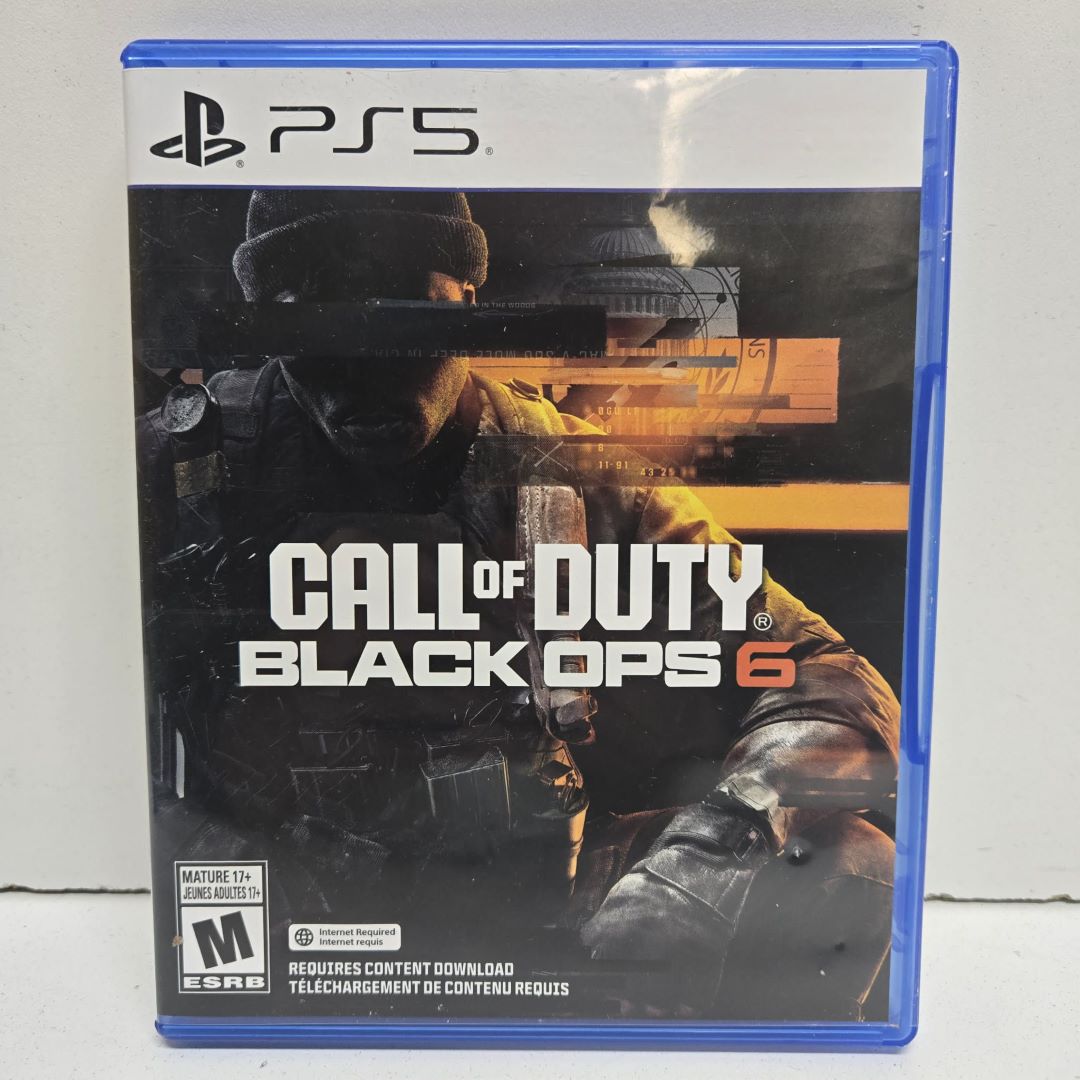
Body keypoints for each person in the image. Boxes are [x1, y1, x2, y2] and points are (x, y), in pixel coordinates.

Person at [136, 189, 899, 1021]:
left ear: (468, 303)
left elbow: (825, 676)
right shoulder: (176, 470)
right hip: (273, 895)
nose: (365, 371)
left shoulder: (575, 472)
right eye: (319, 328)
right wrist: (199, 853)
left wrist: (715, 847)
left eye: (407, 325)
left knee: (848, 861)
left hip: (536, 894)